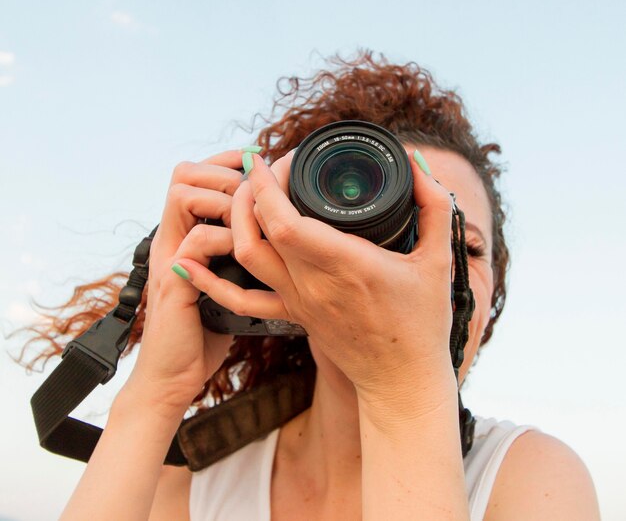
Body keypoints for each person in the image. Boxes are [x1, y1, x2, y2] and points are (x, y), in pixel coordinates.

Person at [25, 52, 599, 520]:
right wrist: (154, 397)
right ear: (286, 256)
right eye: (390, 238)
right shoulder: (193, 490)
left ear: (492, 301)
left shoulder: (531, 481)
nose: (421, 276)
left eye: (463, 248)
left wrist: (402, 391)